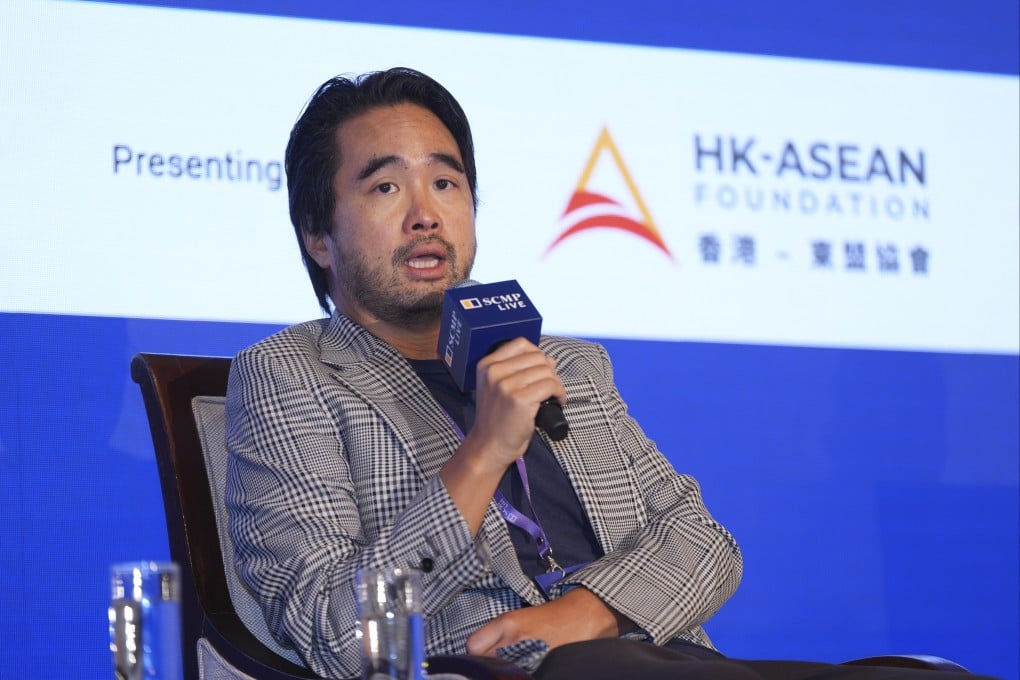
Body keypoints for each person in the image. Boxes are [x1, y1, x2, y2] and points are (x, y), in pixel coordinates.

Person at [225, 67, 995, 680]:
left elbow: (702, 540)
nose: (426, 212)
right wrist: (483, 454)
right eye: (386, 186)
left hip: (655, 653)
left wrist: (587, 611)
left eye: (447, 182)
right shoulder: (291, 377)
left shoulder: (565, 362)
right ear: (318, 236)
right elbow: (338, 634)